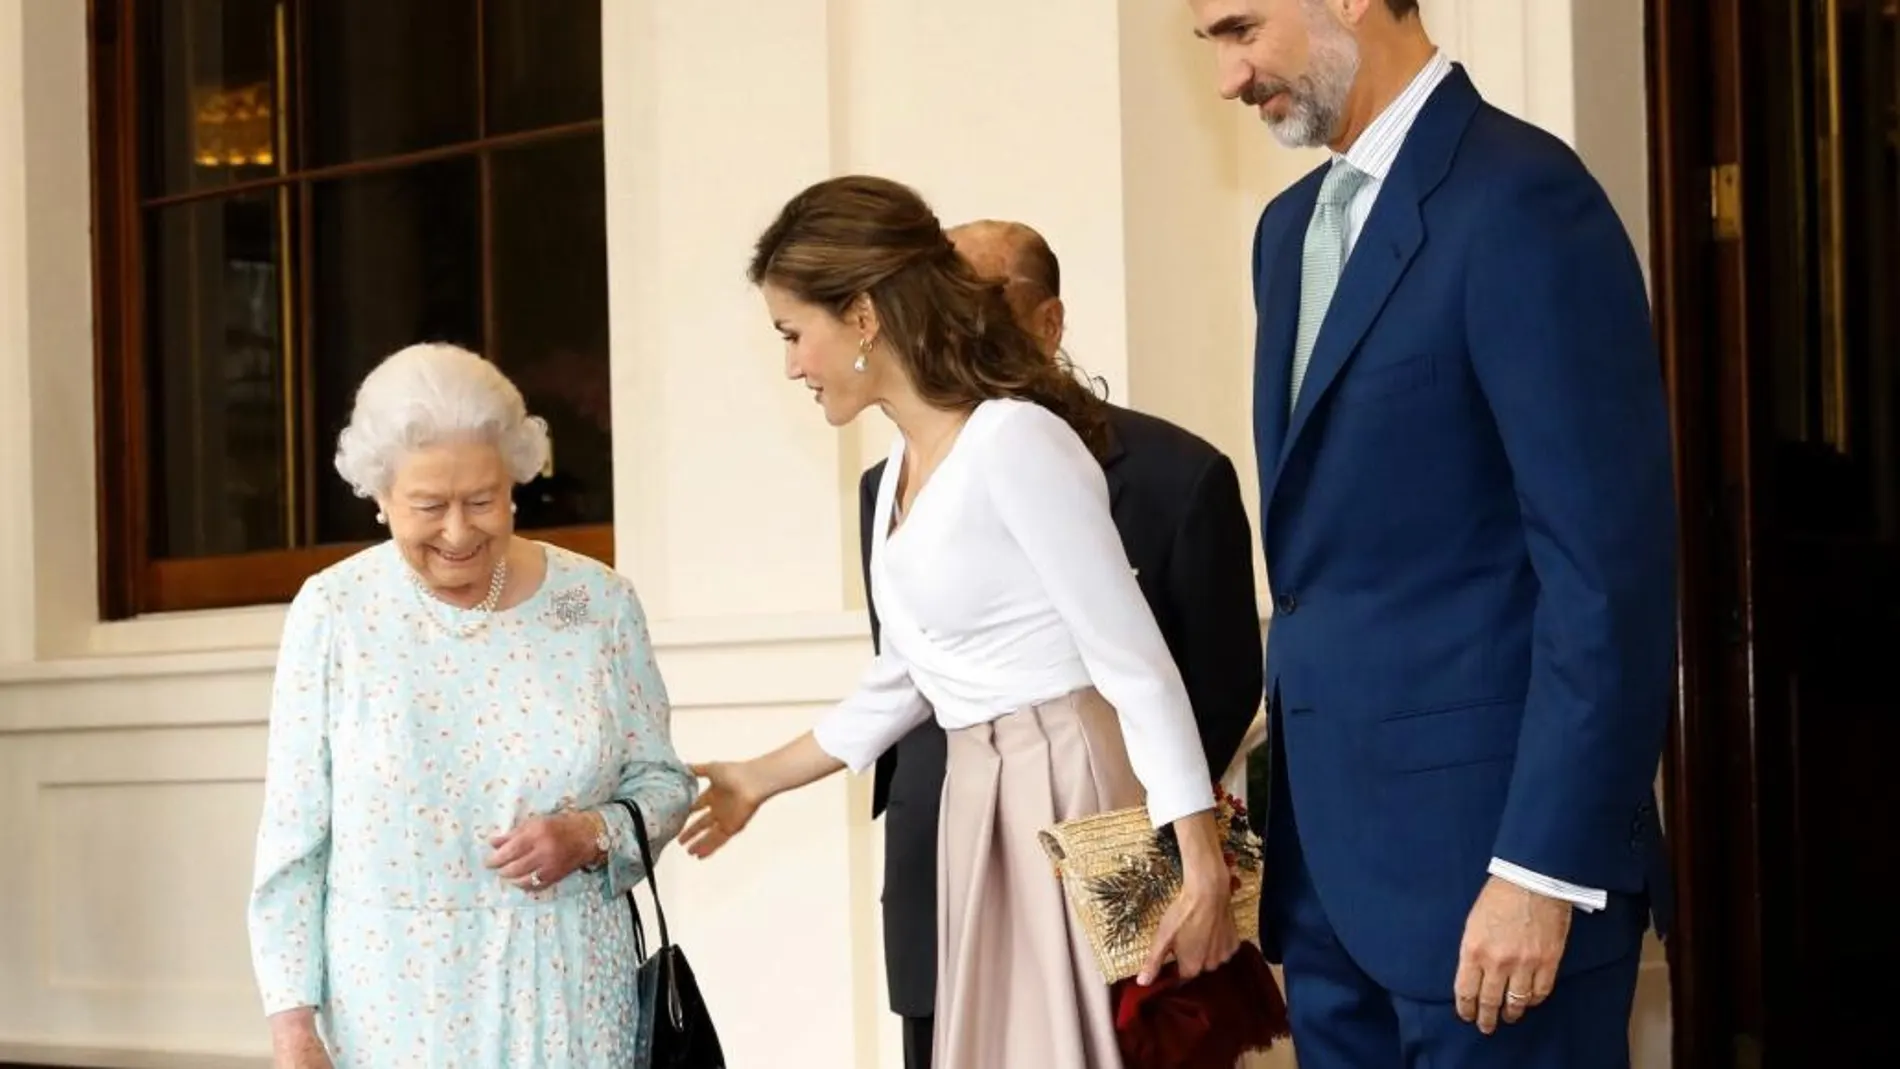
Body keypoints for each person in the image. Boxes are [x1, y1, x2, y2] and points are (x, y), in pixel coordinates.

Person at [1185, 2, 1677, 1067]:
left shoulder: (1522, 198)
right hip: (1328, 896)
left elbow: (1606, 575)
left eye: (1240, 30)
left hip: (1491, 884)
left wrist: (1540, 869)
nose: (1227, 78)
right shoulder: (1285, 233)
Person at [682, 175, 1241, 1069]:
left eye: (793, 334)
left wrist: (1200, 858)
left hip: (1070, 787)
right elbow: (903, 679)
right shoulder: (900, 467)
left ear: (862, 316)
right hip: (977, 796)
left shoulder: (1015, 440)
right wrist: (757, 777)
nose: (791, 364)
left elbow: (1134, 661)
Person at [858, 217, 1265, 1069]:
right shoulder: (886, 480)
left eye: (982, 305)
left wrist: (1159, 852)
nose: (953, 329)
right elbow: (907, 671)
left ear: (1049, 324)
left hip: (1105, 862)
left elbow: (1217, 687)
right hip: (945, 852)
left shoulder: (1178, 474)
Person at [246, 342, 697, 1069]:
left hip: (571, 993)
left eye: (483, 500)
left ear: (516, 478)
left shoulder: (599, 604)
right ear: (379, 495)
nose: (458, 532)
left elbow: (666, 784)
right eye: (428, 506)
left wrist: (591, 833)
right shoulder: (335, 612)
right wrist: (292, 1028)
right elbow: (294, 839)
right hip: (396, 1006)